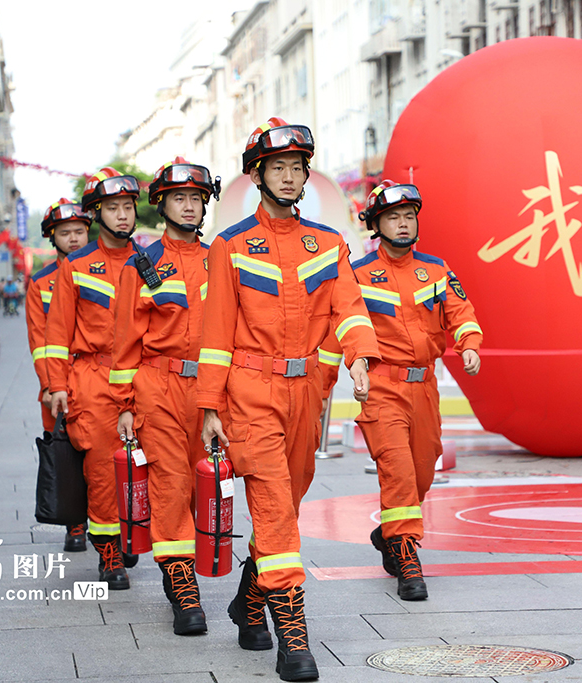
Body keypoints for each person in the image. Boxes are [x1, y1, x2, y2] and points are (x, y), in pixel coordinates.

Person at [198, 117, 380, 682]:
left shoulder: (328, 244)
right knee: (275, 507)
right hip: (251, 393)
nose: (288, 176)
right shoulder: (230, 247)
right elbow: (215, 333)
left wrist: (359, 357)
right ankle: (293, 637)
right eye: (276, 167)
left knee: (287, 505)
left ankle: (248, 603)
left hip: (306, 394)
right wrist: (210, 407)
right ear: (257, 176)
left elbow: (349, 308)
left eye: (296, 167)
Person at [320, 180, 483, 602]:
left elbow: (461, 312)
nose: (404, 224)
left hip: (424, 388)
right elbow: (340, 328)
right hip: (382, 387)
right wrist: (330, 378)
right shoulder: (356, 275)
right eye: (393, 217)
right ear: (376, 225)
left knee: (423, 470)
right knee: (398, 472)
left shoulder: (436, 269)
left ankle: (389, 534)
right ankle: (408, 557)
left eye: (409, 216)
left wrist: (469, 344)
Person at [112, 157, 220, 636]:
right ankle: (182, 585)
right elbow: (125, 341)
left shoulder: (222, 260)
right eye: (180, 198)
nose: (190, 207)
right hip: (158, 386)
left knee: (206, 485)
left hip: (212, 389)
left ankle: (191, 560)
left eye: (196, 198)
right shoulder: (141, 265)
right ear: (162, 204)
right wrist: (125, 405)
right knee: (171, 484)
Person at [47, 168, 141, 590]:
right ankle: (109, 553)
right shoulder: (77, 266)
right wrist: (57, 386)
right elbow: (56, 333)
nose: (122, 215)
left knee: (145, 466)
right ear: (97, 214)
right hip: (93, 378)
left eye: (128, 207)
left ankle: (134, 533)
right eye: (113, 208)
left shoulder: (151, 261)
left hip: (144, 378)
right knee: (103, 471)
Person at [25, 198, 90, 552]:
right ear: (53, 238)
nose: (74, 238)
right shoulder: (40, 283)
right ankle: (74, 521)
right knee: (66, 453)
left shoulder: (103, 270)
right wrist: (50, 385)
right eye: (65, 233)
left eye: (79, 231)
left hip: (98, 377)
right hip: (58, 381)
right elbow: (39, 341)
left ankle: (114, 524)